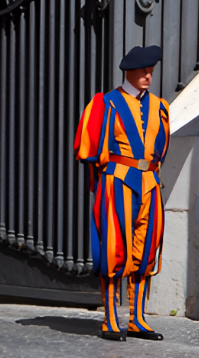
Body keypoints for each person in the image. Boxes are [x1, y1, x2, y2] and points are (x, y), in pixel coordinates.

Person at [73, 45, 170, 342]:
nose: (148, 76)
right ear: (129, 72)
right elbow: (88, 150)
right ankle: (111, 319)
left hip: (150, 183)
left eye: (151, 71)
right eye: (143, 71)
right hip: (117, 181)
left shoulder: (160, 107)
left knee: (146, 249)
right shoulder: (105, 104)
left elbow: (162, 148)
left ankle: (138, 319)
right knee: (115, 249)